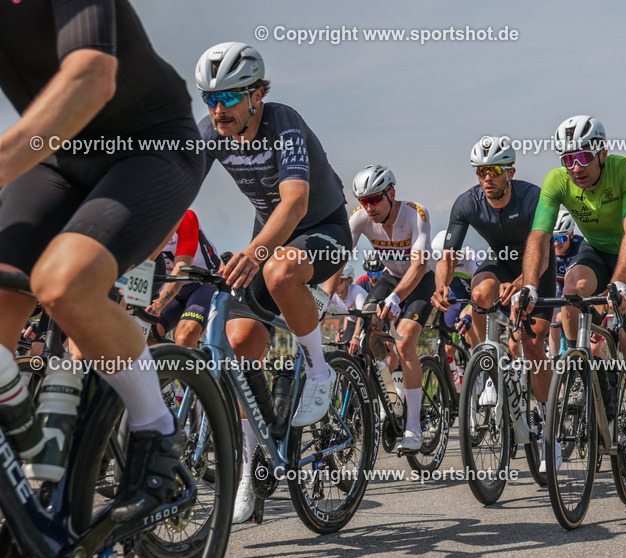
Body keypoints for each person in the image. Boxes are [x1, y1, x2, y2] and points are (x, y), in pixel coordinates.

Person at [0, 0, 204, 521]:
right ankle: (30, 472)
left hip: (149, 144)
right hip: (56, 155)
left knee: (63, 283)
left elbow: (92, 77)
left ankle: (157, 432)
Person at [194, 41, 352, 522]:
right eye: (209, 98)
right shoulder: (212, 131)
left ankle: (320, 372)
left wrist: (255, 251)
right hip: (269, 239)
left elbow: (296, 204)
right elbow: (170, 191)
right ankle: (251, 468)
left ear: (257, 94)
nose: (218, 110)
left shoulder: (284, 123)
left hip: (321, 231)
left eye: (229, 98)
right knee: (241, 340)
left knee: (281, 268)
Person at [517, 115, 626, 485]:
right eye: (567, 159)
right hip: (596, 251)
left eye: (582, 157)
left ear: (601, 152)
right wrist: (531, 285)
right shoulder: (558, 180)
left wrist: (621, 284)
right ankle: (581, 367)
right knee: (571, 293)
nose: (575, 167)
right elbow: (538, 237)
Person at [431, 135, 555, 447]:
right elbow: (448, 256)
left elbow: (541, 250)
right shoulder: (467, 203)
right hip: (501, 261)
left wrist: (524, 282)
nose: (487, 178)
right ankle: (491, 367)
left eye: (494, 171)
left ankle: (548, 420)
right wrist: (442, 287)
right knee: (480, 295)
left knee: (534, 343)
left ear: (510, 172)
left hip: (538, 264)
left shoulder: (531, 197)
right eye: (481, 171)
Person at [350, 164, 436, 452]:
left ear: (391, 193)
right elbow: (338, 260)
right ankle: (392, 392)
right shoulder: (360, 218)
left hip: (421, 278)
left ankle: (414, 426)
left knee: (405, 340)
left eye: (375, 199)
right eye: (364, 201)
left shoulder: (415, 213)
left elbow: (419, 264)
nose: (369, 207)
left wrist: (397, 298)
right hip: (390, 278)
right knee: (369, 333)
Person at [147, 209, 219, 348]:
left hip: (204, 284)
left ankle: (191, 369)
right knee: (150, 333)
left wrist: (157, 305)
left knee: (185, 336)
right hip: (170, 287)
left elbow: (181, 269)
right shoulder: (142, 225)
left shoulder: (185, 217)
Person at [549, 208, 584, 354]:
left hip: (579, 289)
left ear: (571, 235)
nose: (556, 244)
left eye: (561, 238)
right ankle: (554, 361)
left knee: (590, 342)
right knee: (554, 323)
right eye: (553, 238)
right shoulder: (547, 247)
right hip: (560, 289)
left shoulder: (581, 246)